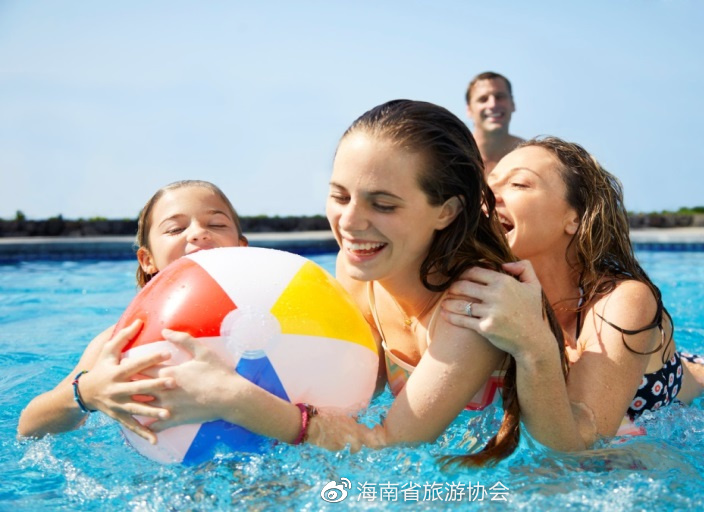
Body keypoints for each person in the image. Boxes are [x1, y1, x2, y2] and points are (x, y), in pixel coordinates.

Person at [140, 100, 566, 464]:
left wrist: (235, 398)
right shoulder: (357, 268)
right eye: (340, 196)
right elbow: (347, 394)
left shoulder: (474, 309)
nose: (350, 222)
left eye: (382, 204)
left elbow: (386, 446)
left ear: (447, 211)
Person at [442, 137, 704, 451]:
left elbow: (584, 441)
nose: (487, 196)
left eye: (519, 184)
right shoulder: (483, 288)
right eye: (487, 185)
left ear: (575, 218)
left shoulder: (624, 301)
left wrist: (531, 343)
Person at [17, 180, 249, 441]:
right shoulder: (122, 339)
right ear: (147, 260)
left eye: (216, 224)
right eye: (175, 229)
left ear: (242, 248)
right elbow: (28, 429)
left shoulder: (275, 318)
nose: (198, 233)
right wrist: (86, 393)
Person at [465, 71, 524, 176]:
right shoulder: (455, 155)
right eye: (483, 99)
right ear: (469, 110)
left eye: (499, 97)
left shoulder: (528, 156)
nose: (492, 104)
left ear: (513, 104)